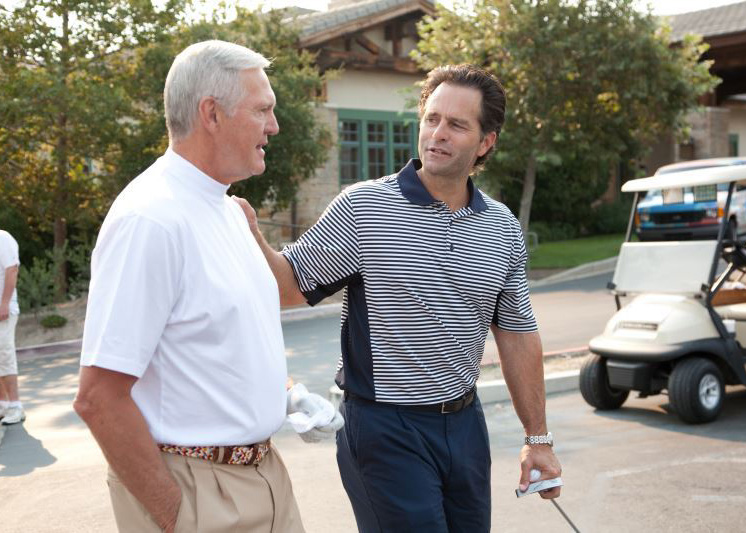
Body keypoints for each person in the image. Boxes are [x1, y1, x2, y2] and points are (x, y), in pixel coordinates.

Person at [235, 64, 562, 532]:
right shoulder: (363, 207)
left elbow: (517, 334)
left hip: (465, 425)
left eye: (457, 125)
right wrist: (250, 234)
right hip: (385, 430)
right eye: (432, 119)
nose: (438, 133)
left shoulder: (502, 227)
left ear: (485, 142)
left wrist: (538, 439)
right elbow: (289, 286)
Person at [74, 40, 339, 533]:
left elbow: (218, 341)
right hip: (197, 489)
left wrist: (286, 393)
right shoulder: (150, 220)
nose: (274, 126)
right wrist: (179, 516)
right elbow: (99, 399)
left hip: (265, 476)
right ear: (212, 114)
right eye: (262, 110)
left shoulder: (229, 211)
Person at [0, 228, 23, 425]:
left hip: (4, 310)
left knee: (5, 355)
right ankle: (4, 404)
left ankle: (15, 406)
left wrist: (4, 303)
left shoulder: (3, 238)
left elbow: (12, 269)